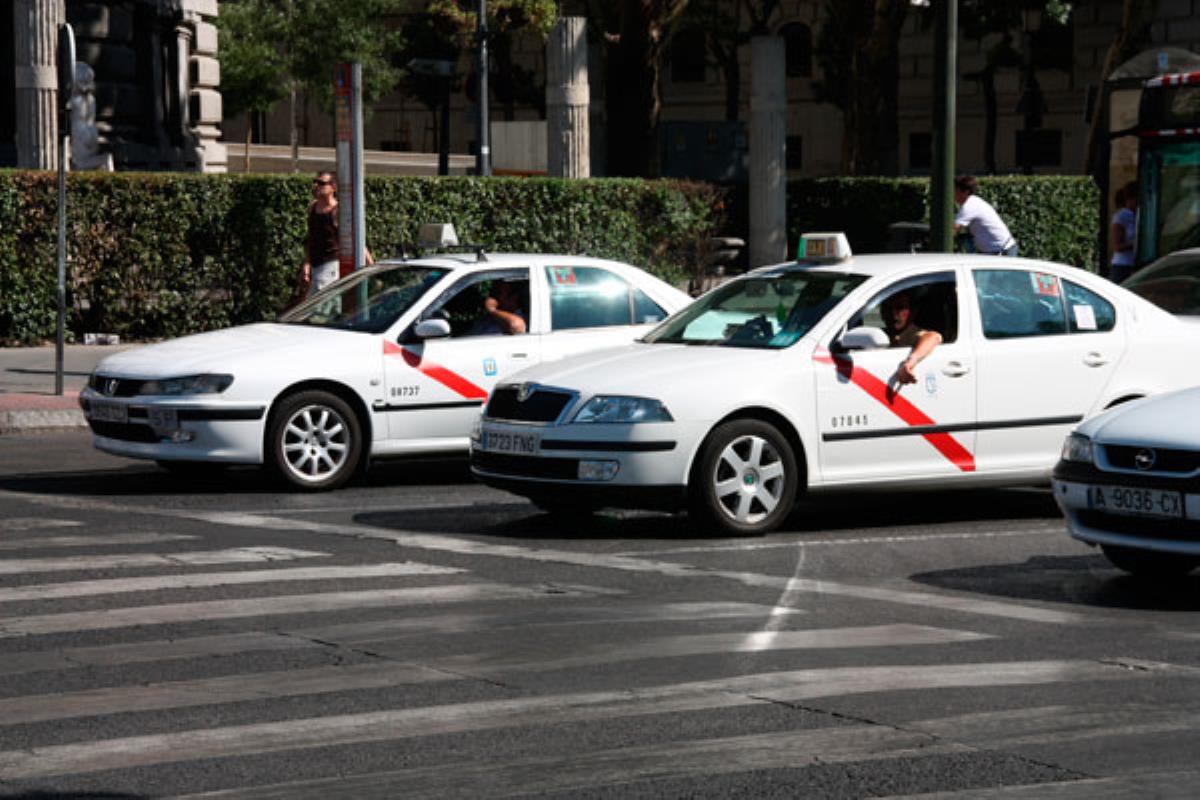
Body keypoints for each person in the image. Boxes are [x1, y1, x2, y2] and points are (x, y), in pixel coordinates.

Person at [301, 171, 373, 298]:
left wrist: (370, 264)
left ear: (333, 187)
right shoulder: (312, 207)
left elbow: (354, 237)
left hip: (330, 264)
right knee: (312, 305)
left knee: (319, 306)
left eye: (322, 183)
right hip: (316, 266)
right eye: (316, 182)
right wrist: (307, 264)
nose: (317, 186)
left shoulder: (337, 211)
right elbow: (311, 238)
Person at [881, 290, 942, 385]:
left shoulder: (915, 333)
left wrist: (911, 361)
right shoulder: (878, 333)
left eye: (900, 307)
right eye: (887, 307)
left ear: (912, 311)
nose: (893, 313)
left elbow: (933, 337)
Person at [954, 175, 1018, 256]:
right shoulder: (974, 201)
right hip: (999, 249)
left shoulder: (970, 206)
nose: (953, 194)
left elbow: (953, 229)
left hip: (1002, 251)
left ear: (965, 192)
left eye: (955, 190)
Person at [1109, 182, 1138, 283]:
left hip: (1135, 265)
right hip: (1122, 266)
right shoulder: (1121, 217)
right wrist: (1136, 244)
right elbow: (1118, 246)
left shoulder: (1138, 216)